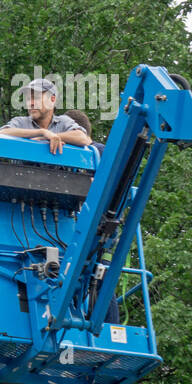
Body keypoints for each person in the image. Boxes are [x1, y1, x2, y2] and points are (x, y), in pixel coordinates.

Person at [63, 109, 120, 324]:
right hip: (102, 225)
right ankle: (106, 329)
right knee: (98, 275)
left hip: (97, 226)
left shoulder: (93, 152)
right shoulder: (100, 153)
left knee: (97, 275)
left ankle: (107, 328)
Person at [0, 78, 90, 153]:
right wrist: (42, 132)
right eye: (28, 99)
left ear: (52, 99)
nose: (31, 103)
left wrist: (50, 137)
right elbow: (2, 133)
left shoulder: (63, 121)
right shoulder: (21, 122)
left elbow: (83, 138)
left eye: (36, 98)